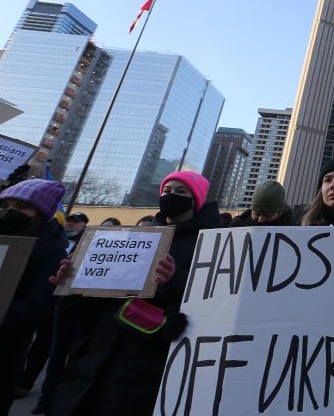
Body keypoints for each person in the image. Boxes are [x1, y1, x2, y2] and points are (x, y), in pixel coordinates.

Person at [48, 171, 219, 415]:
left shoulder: (210, 242)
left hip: (147, 363)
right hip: (96, 355)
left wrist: (176, 279)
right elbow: (97, 300)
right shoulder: (136, 237)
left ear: (197, 200)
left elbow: (216, 298)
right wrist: (72, 284)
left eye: (181, 192)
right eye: (167, 191)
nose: (172, 196)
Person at [0, 179, 68, 415]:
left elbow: (38, 309)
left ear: (40, 213)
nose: (11, 212)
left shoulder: (52, 252)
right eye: (7, 205)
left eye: (21, 208)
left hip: (5, 351)